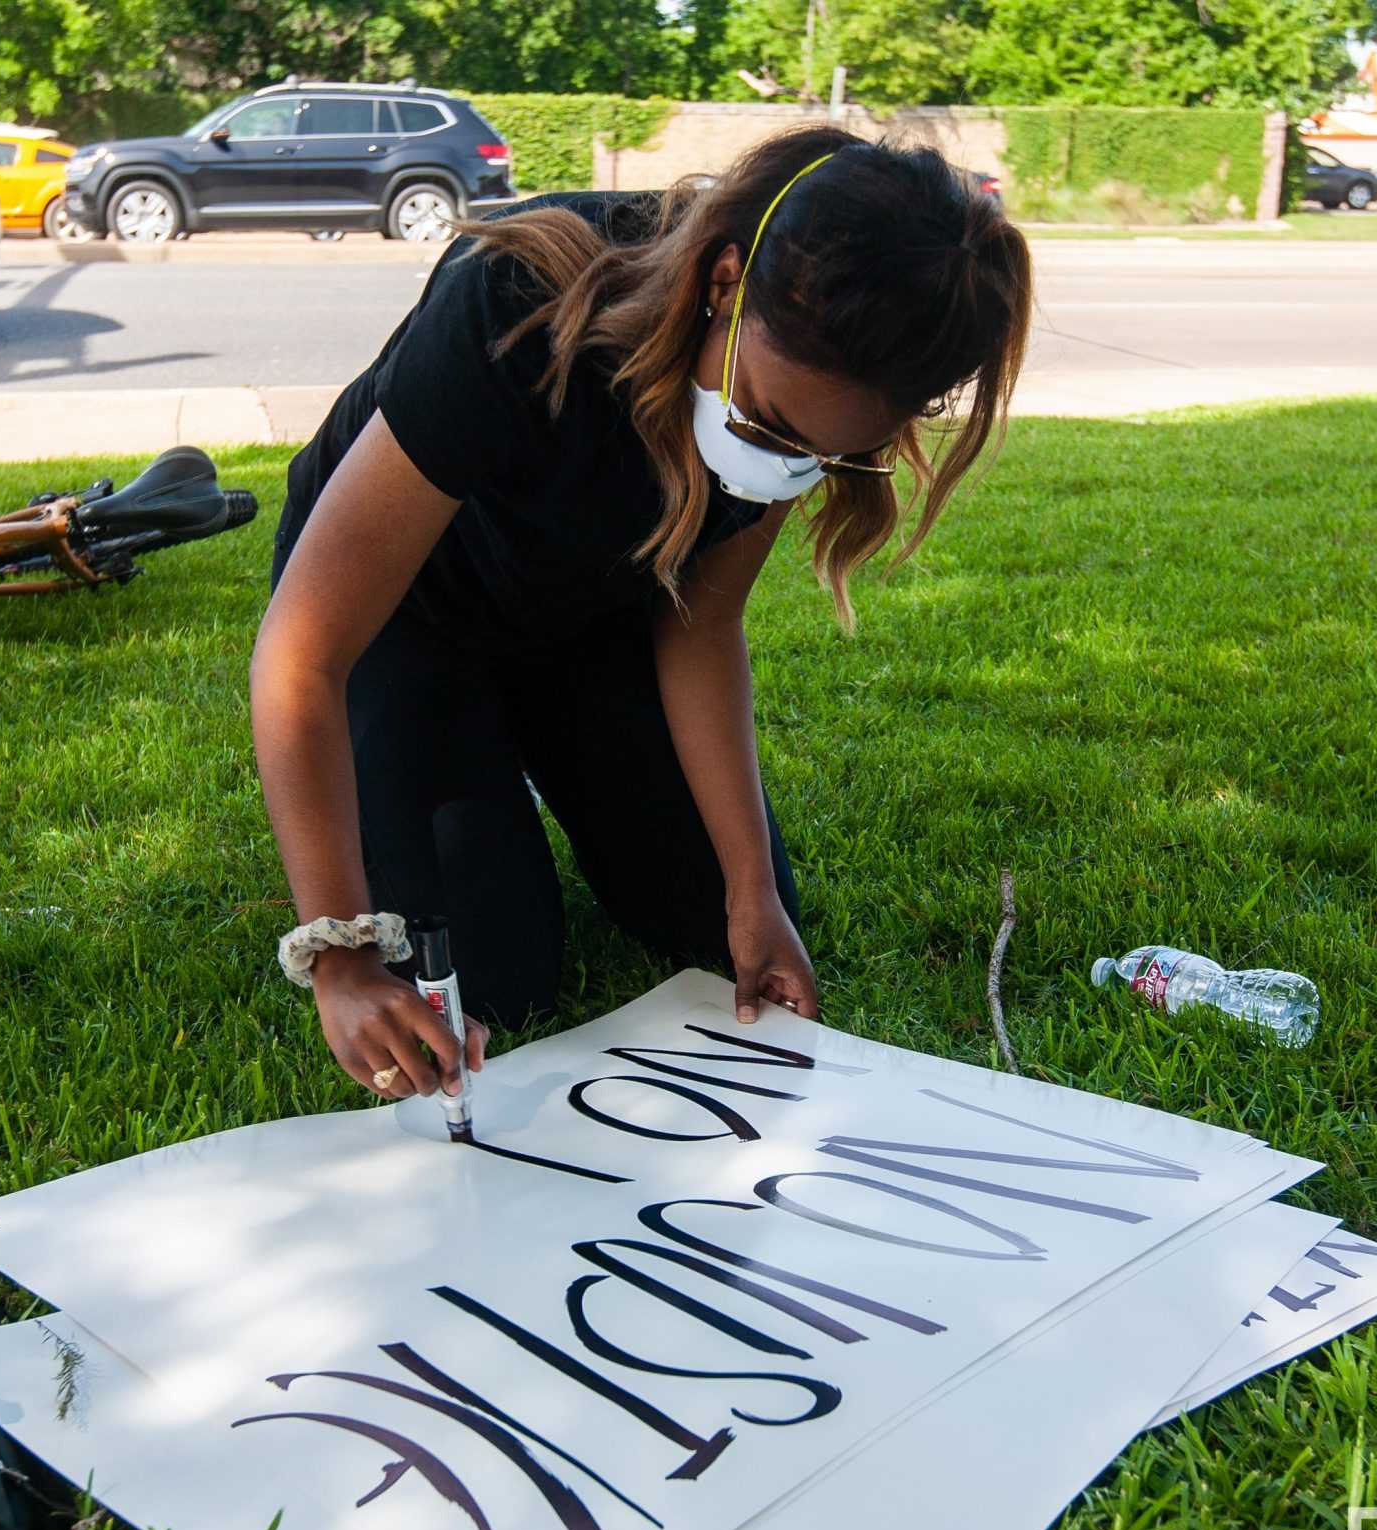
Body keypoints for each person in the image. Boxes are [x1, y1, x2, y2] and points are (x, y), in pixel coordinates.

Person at [253, 128, 1032, 1104]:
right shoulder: (517, 303)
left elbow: (701, 627)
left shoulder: (815, 381)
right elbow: (304, 651)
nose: (782, 465)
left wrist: (750, 889)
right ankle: (455, 764)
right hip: (411, 617)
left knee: (721, 931)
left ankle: (515, 764)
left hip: (587, 618)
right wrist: (339, 952)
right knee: (492, 973)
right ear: (722, 282)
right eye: (768, 425)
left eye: (826, 453)